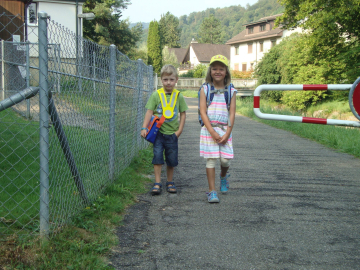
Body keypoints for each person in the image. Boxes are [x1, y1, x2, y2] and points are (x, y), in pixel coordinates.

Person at [141, 64, 188, 195]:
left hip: (172, 134)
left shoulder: (179, 96)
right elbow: (149, 111)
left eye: (171, 79)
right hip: (158, 134)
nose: (168, 82)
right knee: (157, 157)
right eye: (165, 79)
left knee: (171, 159)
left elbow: (183, 113)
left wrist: (179, 131)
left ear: (176, 80)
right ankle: (157, 183)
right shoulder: (156, 95)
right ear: (161, 80)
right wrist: (144, 127)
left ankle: (170, 182)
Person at [199, 55, 237, 203]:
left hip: (225, 129)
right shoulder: (205, 89)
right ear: (210, 70)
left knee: (225, 160)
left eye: (221, 69)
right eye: (214, 68)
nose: (217, 71)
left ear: (226, 71)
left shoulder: (231, 91)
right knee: (211, 160)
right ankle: (211, 191)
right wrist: (212, 132)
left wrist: (228, 132)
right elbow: (203, 111)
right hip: (209, 129)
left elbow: (232, 112)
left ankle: (223, 177)